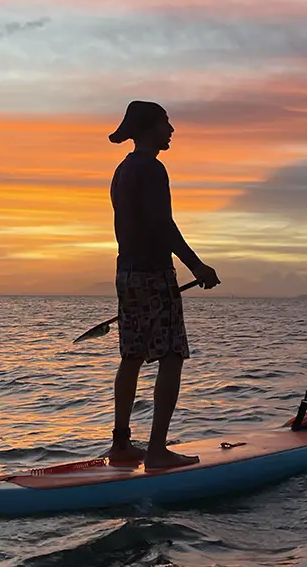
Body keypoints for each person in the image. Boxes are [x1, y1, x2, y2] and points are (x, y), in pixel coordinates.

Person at [106, 100, 221, 470]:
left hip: (126, 274)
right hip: (155, 274)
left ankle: (121, 445)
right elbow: (162, 225)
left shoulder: (122, 170)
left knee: (132, 356)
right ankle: (157, 451)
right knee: (171, 356)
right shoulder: (152, 169)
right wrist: (197, 266)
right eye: (165, 122)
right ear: (147, 127)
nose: (171, 130)